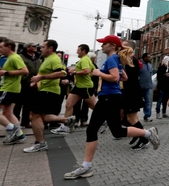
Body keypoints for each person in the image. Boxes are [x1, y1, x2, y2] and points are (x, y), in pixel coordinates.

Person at [63, 35, 160, 179]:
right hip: (110, 97)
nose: (101, 46)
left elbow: (115, 77)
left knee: (93, 129)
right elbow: (124, 77)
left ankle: (86, 166)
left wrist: (99, 73)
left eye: (104, 44)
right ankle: (147, 133)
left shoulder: (112, 59)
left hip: (109, 97)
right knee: (116, 130)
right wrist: (111, 75)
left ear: (113, 45)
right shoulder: (116, 60)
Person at [23, 39, 75, 153]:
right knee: (40, 117)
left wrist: (41, 78)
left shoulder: (54, 59)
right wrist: (37, 80)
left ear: (50, 48)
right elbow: (44, 73)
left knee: (34, 116)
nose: (40, 49)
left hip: (48, 91)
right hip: (45, 90)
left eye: (43, 47)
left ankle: (40, 143)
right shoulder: (47, 59)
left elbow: (62, 73)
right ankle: (66, 121)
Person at [0, 39, 29, 144]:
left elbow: (25, 71)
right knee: (8, 113)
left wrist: (6, 72)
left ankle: (12, 128)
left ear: (9, 47)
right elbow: (12, 71)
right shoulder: (10, 58)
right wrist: (1, 69)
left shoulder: (15, 57)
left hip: (7, 89)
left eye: (2, 47)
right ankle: (20, 135)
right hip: (12, 89)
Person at [51, 44, 96, 135]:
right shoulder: (84, 60)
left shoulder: (85, 59)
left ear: (83, 51)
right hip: (78, 86)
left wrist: (74, 72)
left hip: (85, 87)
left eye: (78, 50)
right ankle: (66, 126)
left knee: (93, 106)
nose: (76, 51)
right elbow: (92, 70)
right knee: (68, 105)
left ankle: (108, 119)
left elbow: (87, 71)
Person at [13, 42, 40, 128]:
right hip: (23, 83)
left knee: (29, 104)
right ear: (27, 48)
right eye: (33, 46)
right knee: (18, 104)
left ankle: (25, 121)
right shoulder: (21, 57)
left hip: (33, 83)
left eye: (36, 46)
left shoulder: (37, 57)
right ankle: (15, 121)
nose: (36, 47)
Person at [140, 53, 154, 122]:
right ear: (144, 58)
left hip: (148, 87)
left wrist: (151, 84)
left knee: (148, 102)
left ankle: (147, 116)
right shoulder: (140, 65)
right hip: (140, 87)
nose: (150, 58)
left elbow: (150, 76)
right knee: (137, 102)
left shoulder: (150, 66)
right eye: (148, 57)